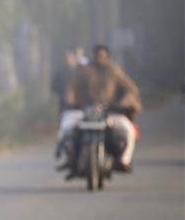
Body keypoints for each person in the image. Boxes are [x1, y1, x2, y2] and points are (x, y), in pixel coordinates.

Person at [56, 44, 141, 175]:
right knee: (65, 127)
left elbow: (131, 89)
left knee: (129, 130)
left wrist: (124, 102)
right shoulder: (85, 71)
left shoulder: (114, 71)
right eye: (98, 56)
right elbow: (71, 88)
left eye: (103, 56)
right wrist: (70, 101)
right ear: (94, 56)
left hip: (110, 110)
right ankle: (69, 157)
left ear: (108, 56)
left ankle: (123, 160)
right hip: (84, 109)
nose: (101, 58)